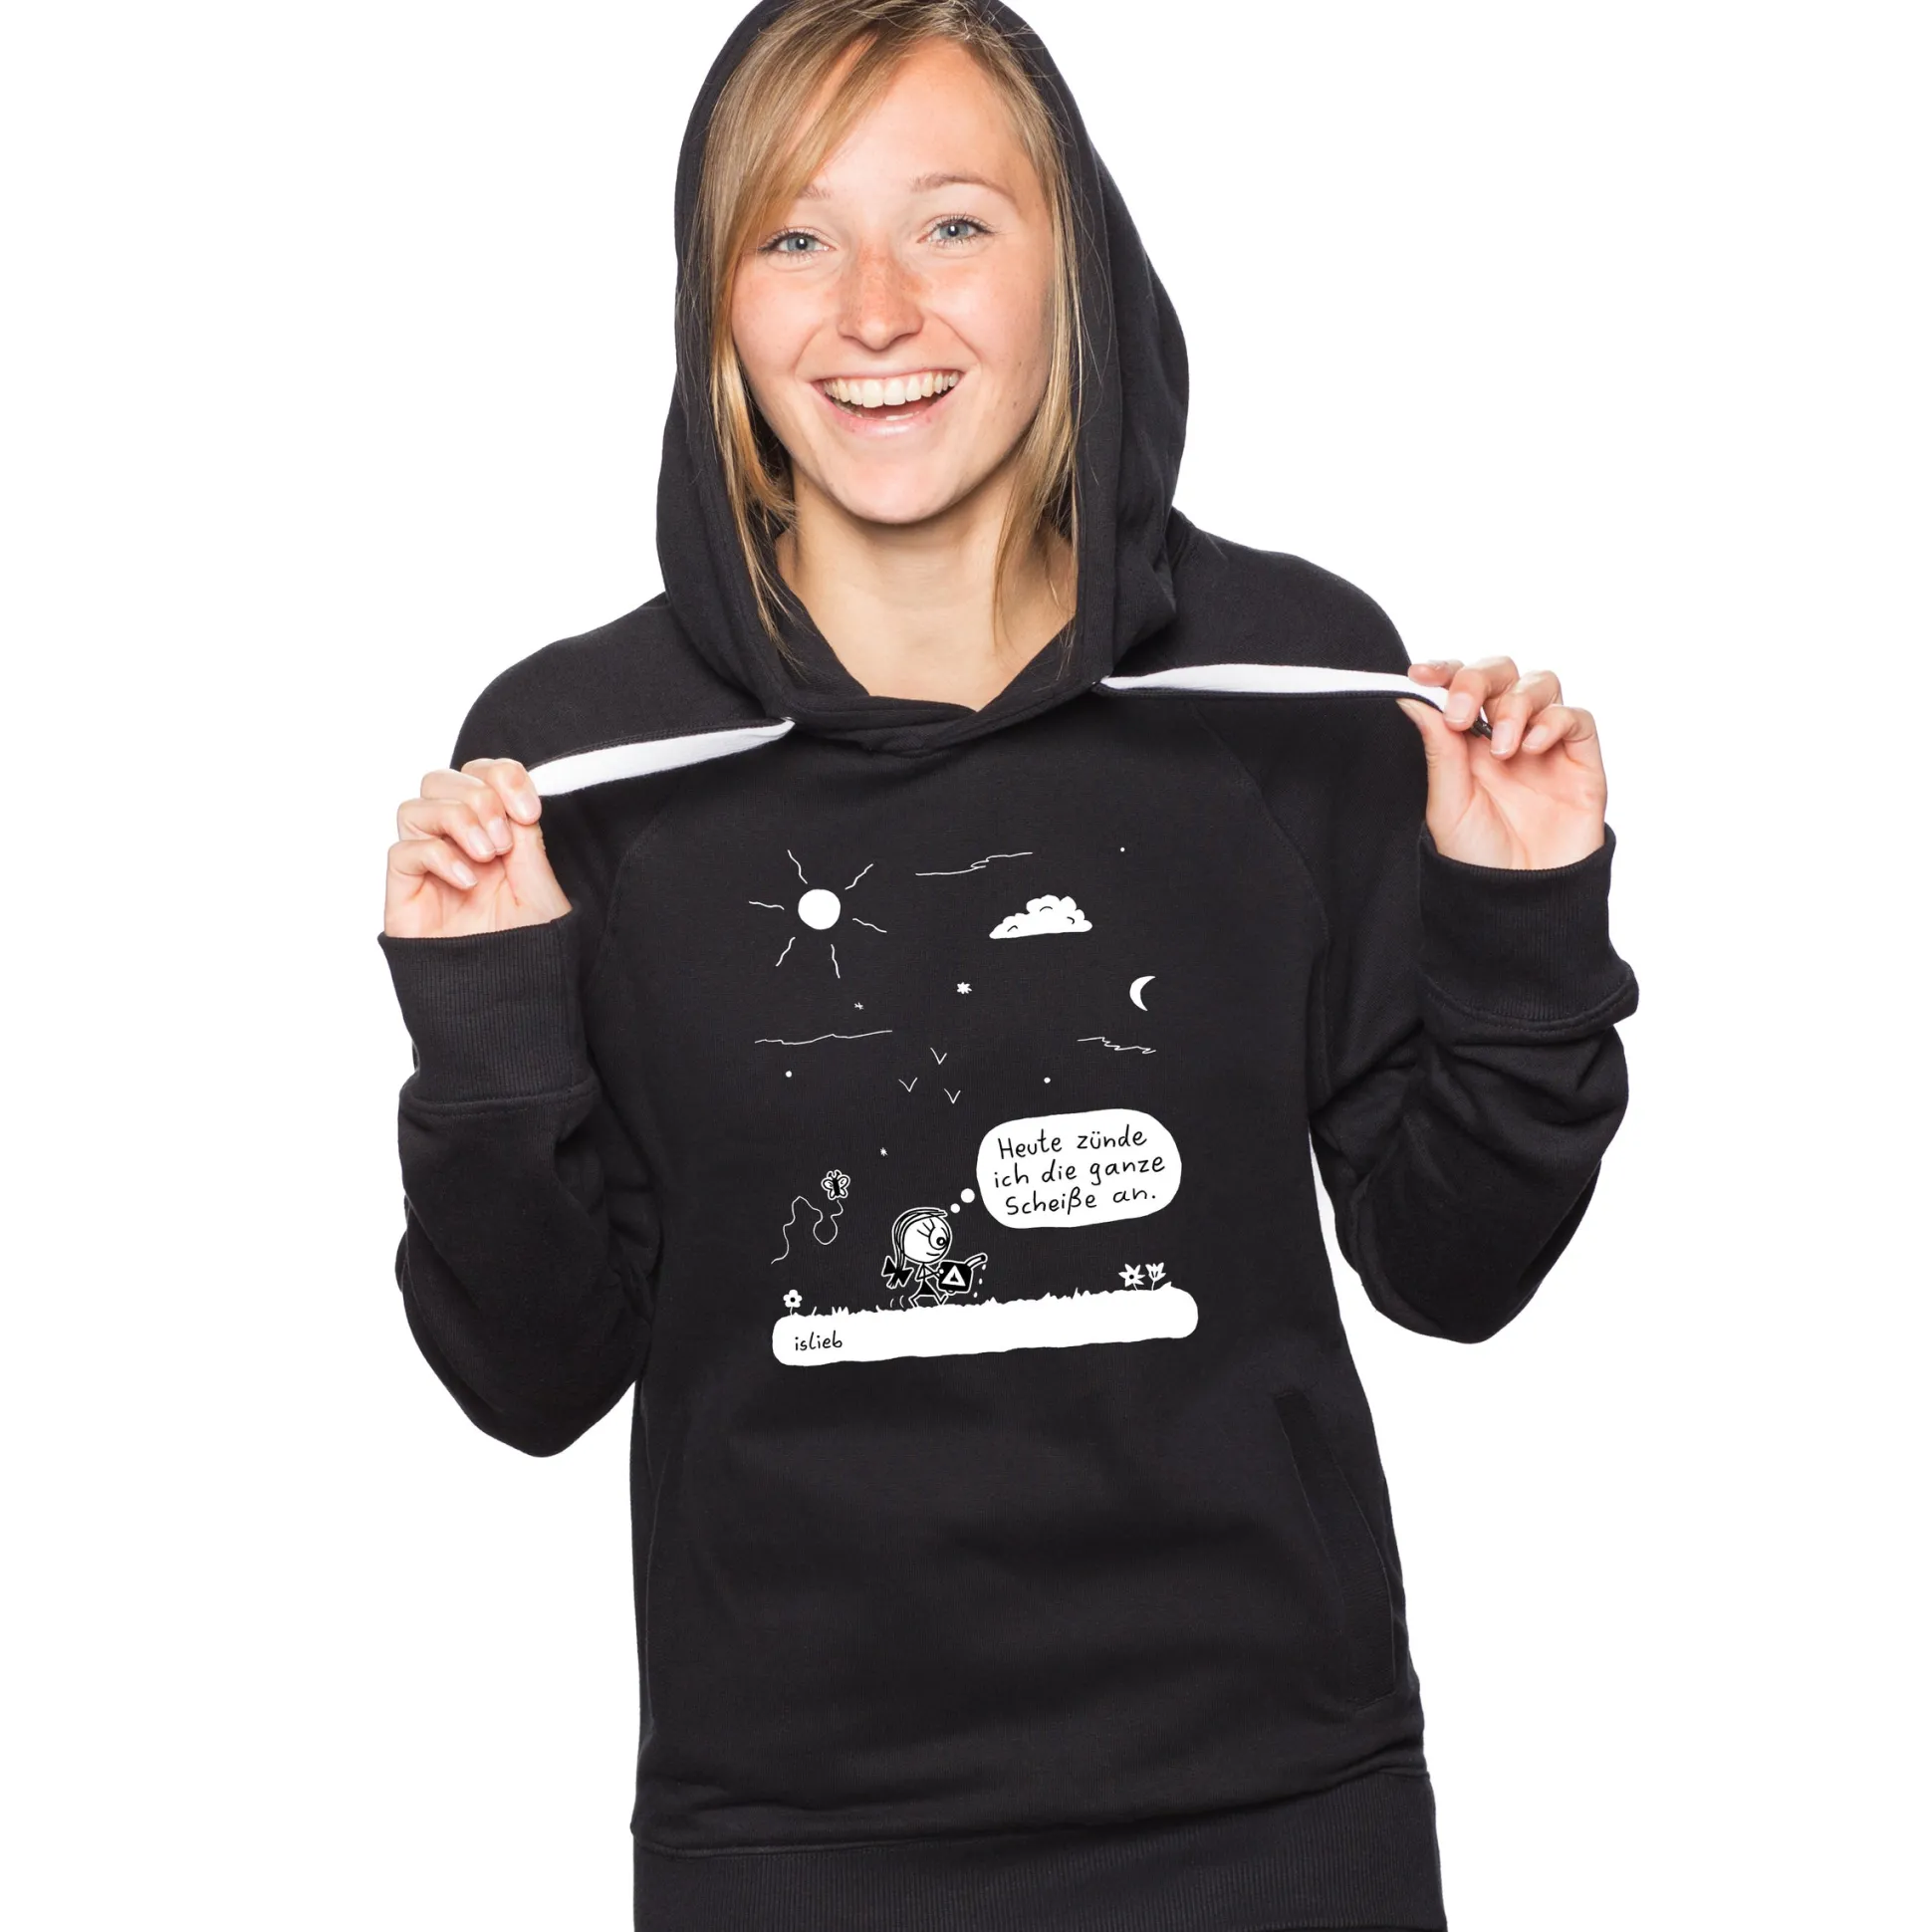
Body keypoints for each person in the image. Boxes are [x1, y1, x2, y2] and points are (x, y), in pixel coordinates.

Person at [375, 2, 1639, 1927]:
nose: (874, 310)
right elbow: (533, 1377)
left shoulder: (1293, 690)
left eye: (953, 224)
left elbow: (1454, 1272)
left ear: (1079, 265)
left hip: (1276, 1817)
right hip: (790, 1847)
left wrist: (1520, 921)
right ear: (718, 305)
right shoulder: (583, 762)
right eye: (795, 237)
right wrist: (485, 1047)